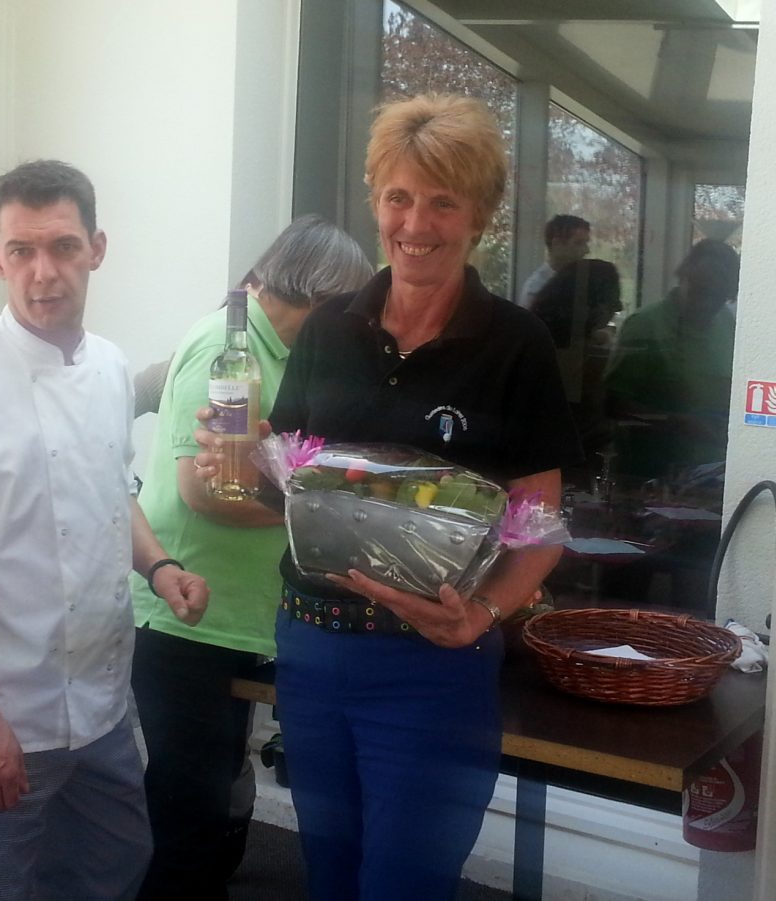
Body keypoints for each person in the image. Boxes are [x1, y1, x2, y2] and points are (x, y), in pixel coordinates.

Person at [196, 94, 582, 900]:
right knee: (330, 880)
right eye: (398, 197)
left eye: (443, 202)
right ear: (375, 202)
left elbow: (541, 525)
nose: (415, 223)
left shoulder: (515, 345)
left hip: (432, 666)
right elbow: (290, 490)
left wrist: (484, 614)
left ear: (479, 217)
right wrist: (241, 454)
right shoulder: (330, 328)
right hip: (313, 650)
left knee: (404, 884)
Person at [0, 159, 210, 901]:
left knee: (112, 872)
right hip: (2, 714)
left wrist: (160, 567)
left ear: (97, 248)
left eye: (63, 246)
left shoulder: (110, 369)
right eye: (22, 250)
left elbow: (110, 492)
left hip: (100, 707)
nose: (44, 272)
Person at [131, 215, 373, 901]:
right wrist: (327, 515)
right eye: (350, 308)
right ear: (321, 295)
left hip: (243, 613)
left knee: (220, 807)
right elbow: (205, 491)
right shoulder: (226, 347)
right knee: (188, 822)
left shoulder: (294, 354)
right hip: (188, 613)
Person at [604, 238, 740, 479]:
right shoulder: (645, 325)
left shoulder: (727, 323)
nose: (706, 303)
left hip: (714, 468)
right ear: (684, 276)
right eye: (700, 290)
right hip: (652, 470)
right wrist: (676, 422)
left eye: (718, 295)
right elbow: (613, 403)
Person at [530, 258, 622, 459]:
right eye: (611, 299)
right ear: (589, 305)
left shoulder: (538, 340)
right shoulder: (569, 359)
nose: (618, 307)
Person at [518, 213, 591, 307]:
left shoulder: (581, 283)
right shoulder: (536, 290)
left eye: (586, 243)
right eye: (578, 243)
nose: (586, 250)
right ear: (557, 244)